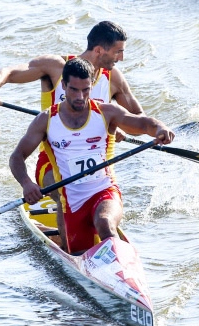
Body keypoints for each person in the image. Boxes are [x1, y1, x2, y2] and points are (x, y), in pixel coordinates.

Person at [0, 21, 143, 242]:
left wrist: (120, 126)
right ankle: (69, 243)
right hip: (54, 162)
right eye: (118, 52)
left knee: (99, 208)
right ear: (99, 50)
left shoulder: (114, 79)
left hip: (100, 166)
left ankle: (99, 234)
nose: (121, 58)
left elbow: (139, 119)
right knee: (70, 189)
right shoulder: (56, 67)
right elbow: (10, 71)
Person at [9, 58, 174, 254]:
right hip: (72, 200)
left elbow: (144, 123)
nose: (80, 96)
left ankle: (116, 263)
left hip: (104, 190)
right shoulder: (45, 120)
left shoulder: (106, 113)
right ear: (63, 86)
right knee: (78, 252)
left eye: (86, 90)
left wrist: (160, 128)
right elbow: (17, 156)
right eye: (74, 90)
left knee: (105, 223)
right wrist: (27, 183)